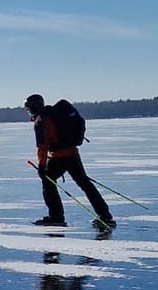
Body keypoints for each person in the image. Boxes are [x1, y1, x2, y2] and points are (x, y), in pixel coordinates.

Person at [25, 94, 114, 230]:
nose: (29, 112)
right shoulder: (55, 113)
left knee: (48, 183)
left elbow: (42, 147)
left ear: (33, 107)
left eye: (28, 109)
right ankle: (105, 214)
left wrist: (42, 167)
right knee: (85, 183)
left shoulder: (41, 121)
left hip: (59, 157)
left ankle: (56, 217)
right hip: (73, 154)